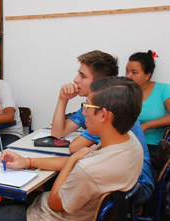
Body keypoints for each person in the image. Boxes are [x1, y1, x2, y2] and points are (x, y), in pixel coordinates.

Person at [0, 76, 144, 221]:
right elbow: (78, 162)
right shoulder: (130, 143)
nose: (84, 112)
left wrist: (72, 160)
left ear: (103, 115)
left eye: (87, 106)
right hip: (79, 217)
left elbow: (55, 203)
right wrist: (27, 161)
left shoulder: (89, 171)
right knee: (6, 199)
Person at [51, 50, 154, 205]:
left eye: (82, 76)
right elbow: (58, 133)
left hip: (136, 186)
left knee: (60, 185)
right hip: (125, 177)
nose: (75, 80)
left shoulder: (105, 113)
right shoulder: (92, 106)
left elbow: (74, 148)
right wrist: (62, 99)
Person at [126, 50, 170, 157]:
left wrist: (147, 125)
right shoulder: (125, 92)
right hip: (128, 144)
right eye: (127, 71)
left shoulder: (163, 90)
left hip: (154, 147)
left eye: (134, 72)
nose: (128, 76)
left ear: (147, 75)